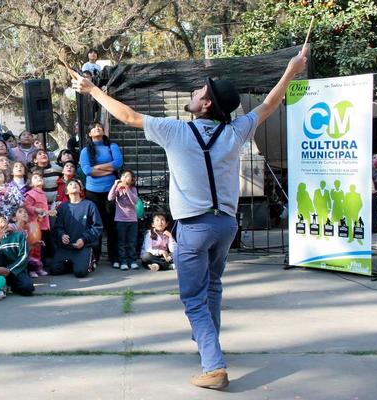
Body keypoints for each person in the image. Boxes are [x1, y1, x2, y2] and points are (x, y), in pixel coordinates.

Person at [72, 46, 308, 390]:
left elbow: (129, 117)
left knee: (194, 298)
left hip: (194, 228)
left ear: (206, 103)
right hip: (226, 225)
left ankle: (213, 365)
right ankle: (209, 345)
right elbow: (270, 104)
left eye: (199, 91)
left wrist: (93, 90)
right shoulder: (234, 131)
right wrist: (290, 70)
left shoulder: (176, 131)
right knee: (212, 287)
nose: (195, 92)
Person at [79, 121, 122, 267]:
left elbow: (117, 164)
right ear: (89, 134)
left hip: (110, 191)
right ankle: (94, 256)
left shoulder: (112, 146)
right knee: (95, 225)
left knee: (112, 225)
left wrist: (97, 167)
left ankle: (114, 256)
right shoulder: (85, 151)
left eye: (100, 127)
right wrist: (107, 169)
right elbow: (87, 171)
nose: (97, 128)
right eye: (94, 127)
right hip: (93, 192)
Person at [51, 179, 103, 278]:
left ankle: (87, 260)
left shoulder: (89, 205)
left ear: (80, 190)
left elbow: (97, 227)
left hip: (83, 246)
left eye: (76, 184)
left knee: (80, 272)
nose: (74, 185)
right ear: (66, 191)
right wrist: (62, 235)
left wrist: (84, 239)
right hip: (66, 247)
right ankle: (74, 263)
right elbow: (57, 227)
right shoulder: (63, 207)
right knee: (54, 270)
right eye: (70, 184)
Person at [108, 168, 139, 271]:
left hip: (132, 220)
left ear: (132, 179)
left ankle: (132, 260)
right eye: (124, 176)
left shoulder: (133, 189)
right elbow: (110, 198)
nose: (125, 178)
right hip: (120, 220)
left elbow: (134, 201)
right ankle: (123, 261)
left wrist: (127, 189)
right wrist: (114, 186)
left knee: (131, 242)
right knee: (121, 242)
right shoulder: (118, 188)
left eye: (128, 176)